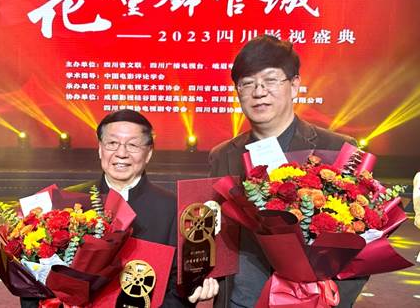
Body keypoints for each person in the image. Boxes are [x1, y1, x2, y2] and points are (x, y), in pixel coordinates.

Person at [208, 36, 368, 308]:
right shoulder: (222, 155)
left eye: (270, 80)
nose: (259, 92)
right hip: (240, 300)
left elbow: (363, 244)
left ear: (294, 86)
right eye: (247, 83)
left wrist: (329, 301)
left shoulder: (338, 149)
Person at [22, 109, 218, 307]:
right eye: (112, 143)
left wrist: (191, 291)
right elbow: (34, 278)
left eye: (133, 145)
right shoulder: (65, 204)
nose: (121, 153)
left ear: (149, 153)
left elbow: (180, 285)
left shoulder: (175, 209)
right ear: (100, 149)